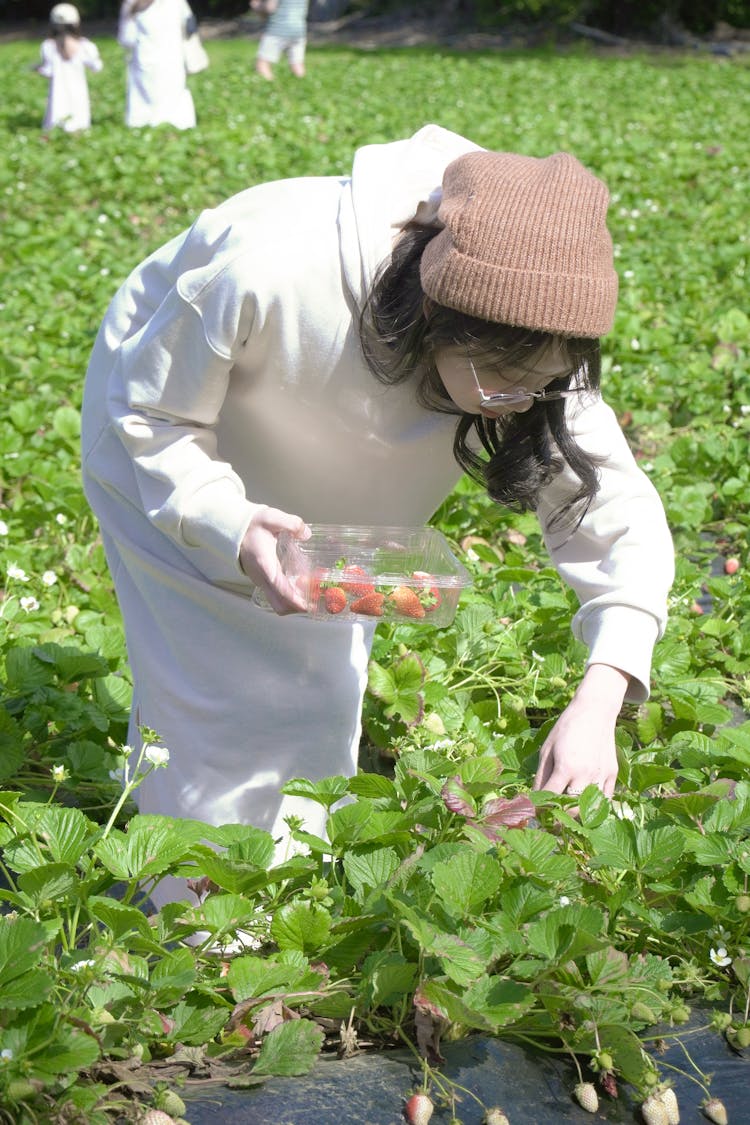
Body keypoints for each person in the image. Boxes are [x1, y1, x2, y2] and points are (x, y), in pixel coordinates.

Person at [81, 124, 674, 908]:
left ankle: (296, 881)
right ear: (434, 315)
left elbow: (614, 510)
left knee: (314, 684)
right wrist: (229, 519)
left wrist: (601, 701)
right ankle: (190, 909)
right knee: (212, 703)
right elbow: (151, 419)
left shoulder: (535, 331)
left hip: (332, 497)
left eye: (547, 382)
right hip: (180, 444)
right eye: (501, 382)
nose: (522, 402)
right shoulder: (270, 261)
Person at [118, 0, 196, 129]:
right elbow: (190, 25)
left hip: (145, 61)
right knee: (175, 95)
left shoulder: (132, 3)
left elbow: (127, 39)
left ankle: (146, 125)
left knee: (144, 100)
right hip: (174, 59)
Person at [35, 3, 103, 133]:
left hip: (57, 100)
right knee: (79, 123)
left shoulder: (48, 46)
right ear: (76, 23)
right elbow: (97, 66)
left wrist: (38, 69)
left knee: (56, 122)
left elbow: (47, 71)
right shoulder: (85, 46)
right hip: (79, 96)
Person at [253, 0, 310, 80]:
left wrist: (257, 6)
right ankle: (303, 85)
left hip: (277, 30)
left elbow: (270, 8)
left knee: (262, 64)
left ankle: (271, 87)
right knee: (297, 63)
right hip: (299, 31)